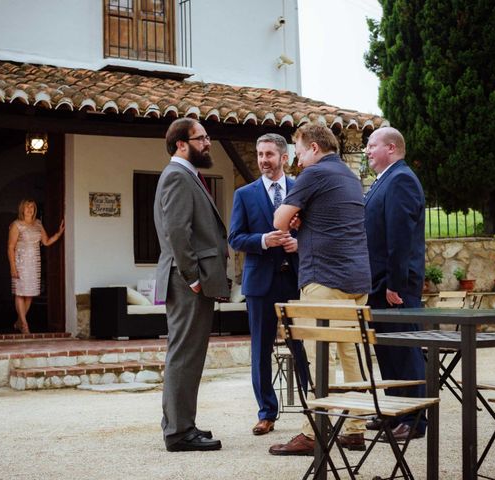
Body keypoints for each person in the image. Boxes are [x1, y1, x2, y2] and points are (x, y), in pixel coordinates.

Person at [269, 124, 372, 456]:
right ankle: (355, 428)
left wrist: (294, 215)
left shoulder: (313, 175)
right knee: (353, 355)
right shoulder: (349, 176)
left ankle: (313, 432)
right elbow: (331, 221)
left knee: (318, 355)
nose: (297, 159)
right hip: (357, 278)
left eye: (298, 151)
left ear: (314, 147)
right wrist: (305, 218)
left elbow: (278, 221)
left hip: (324, 278)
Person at [153, 118, 230, 452]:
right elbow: (177, 232)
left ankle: (182, 424)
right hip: (187, 282)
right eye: (201, 138)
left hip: (191, 281)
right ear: (181, 144)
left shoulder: (186, 175)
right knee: (184, 355)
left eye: (207, 137)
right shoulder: (176, 177)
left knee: (189, 355)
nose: (208, 143)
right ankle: (179, 432)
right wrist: (194, 278)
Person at [228, 133, 308, 436]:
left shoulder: (301, 189)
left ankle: (310, 406)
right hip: (260, 284)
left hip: (296, 281)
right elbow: (235, 238)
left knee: (302, 346)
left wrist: (297, 243)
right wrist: (263, 240)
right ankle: (266, 413)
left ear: (284, 158)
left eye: (269, 155)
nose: (263, 160)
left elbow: (313, 230)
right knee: (260, 349)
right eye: (260, 154)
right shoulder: (244, 194)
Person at [363, 126, 427, 441]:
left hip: (395, 285)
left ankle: (415, 419)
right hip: (379, 283)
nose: (366, 150)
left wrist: (395, 284)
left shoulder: (401, 179)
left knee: (405, 350)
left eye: (371, 145)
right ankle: (396, 411)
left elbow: (400, 238)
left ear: (391, 147)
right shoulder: (385, 180)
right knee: (387, 350)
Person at [7, 199, 64, 334]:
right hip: (20, 263)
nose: (29, 209)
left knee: (30, 294)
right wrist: (12, 267)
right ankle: (25, 326)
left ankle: (19, 322)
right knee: (20, 293)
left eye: (32, 207)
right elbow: (10, 247)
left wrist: (58, 234)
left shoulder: (38, 224)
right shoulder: (16, 225)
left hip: (34, 264)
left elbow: (46, 241)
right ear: (22, 209)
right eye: (27, 207)